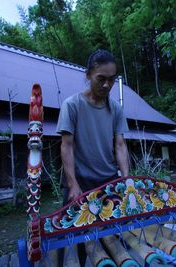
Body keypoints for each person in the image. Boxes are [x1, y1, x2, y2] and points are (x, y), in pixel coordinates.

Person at [55, 49, 130, 265]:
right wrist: (72, 184)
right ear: (88, 75)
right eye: (101, 79)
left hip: (108, 181)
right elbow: (66, 146)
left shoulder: (115, 108)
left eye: (111, 80)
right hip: (79, 182)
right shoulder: (72, 105)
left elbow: (120, 144)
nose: (106, 85)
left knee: (114, 236)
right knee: (73, 238)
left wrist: (126, 179)